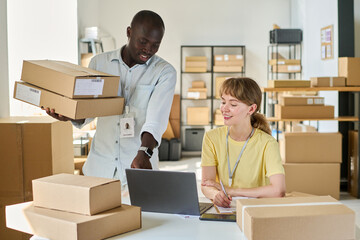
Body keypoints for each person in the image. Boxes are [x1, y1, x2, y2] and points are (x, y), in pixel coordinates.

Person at [44, 10, 176, 185]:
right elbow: (90, 109)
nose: (148, 50)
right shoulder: (99, 63)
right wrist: (68, 114)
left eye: (155, 45)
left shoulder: (164, 72)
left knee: (136, 213)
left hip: (138, 166)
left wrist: (144, 152)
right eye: (143, 42)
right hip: (99, 168)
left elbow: (156, 120)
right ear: (129, 32)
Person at [201, 77, 285, 208]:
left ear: (251, 109)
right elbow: (207, 184)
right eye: (223, 102)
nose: (224, 109)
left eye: (233, 104)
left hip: (256, 210)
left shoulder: (268, 143)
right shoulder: (211, 137)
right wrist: (215, 195)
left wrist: (230, 191)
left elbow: (278, 190)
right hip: (225, 210)